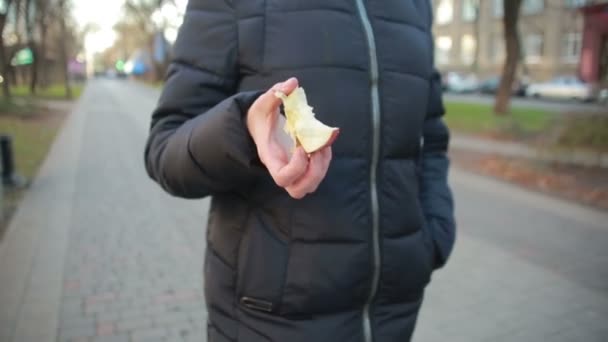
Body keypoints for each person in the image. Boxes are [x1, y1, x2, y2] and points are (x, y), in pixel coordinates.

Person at [144, 0, 455, 341]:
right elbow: (165, 148)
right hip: (268, 320)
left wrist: (435, 232)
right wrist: (244, 130)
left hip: (393, 312)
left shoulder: (414, 6)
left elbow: (432, 134)